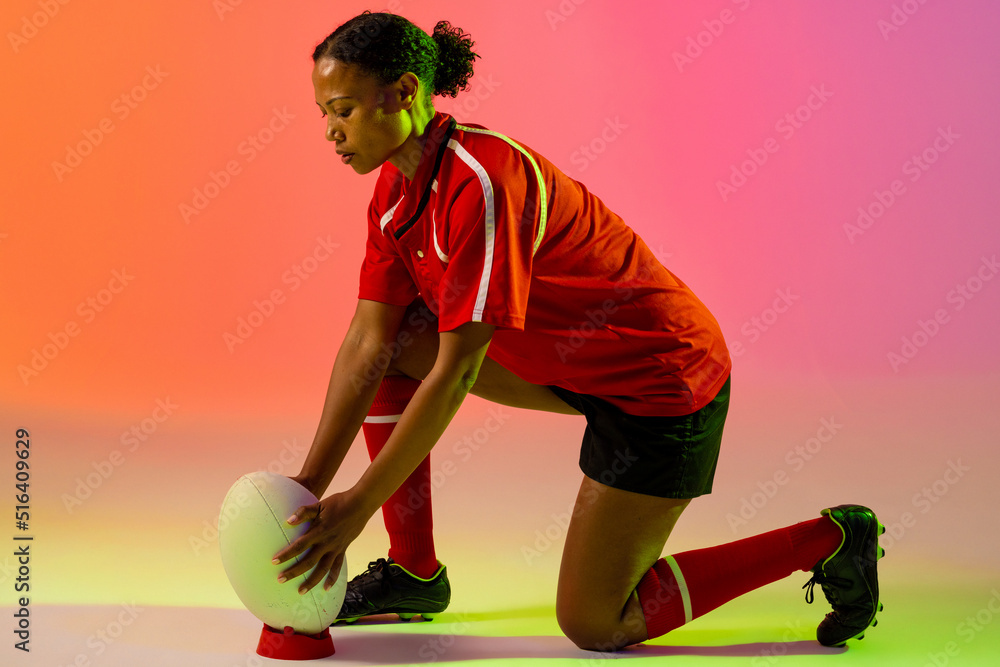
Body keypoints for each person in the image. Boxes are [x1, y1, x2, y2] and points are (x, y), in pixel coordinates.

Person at [271, 11, 883, 652]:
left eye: (340, 109)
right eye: (323, 114)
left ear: (402, 91)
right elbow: (369, 343)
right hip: (578, 368)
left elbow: (456, 373)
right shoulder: (394, 191)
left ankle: (830, 538)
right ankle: (413, 575)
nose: (330, 132)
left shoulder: (481, 183)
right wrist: (309, 489)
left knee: (595, 623)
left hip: (662, 382)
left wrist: (360, 503)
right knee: (397, 347)